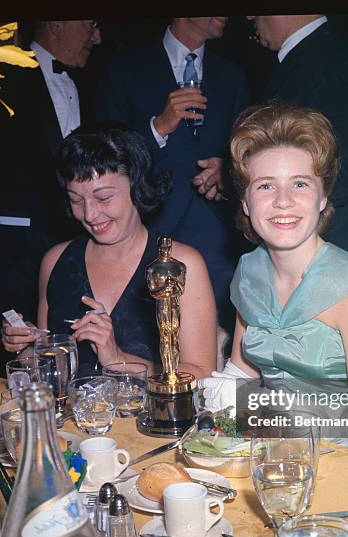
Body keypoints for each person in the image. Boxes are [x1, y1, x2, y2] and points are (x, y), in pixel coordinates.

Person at [199, 102, 348, 446]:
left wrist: (288, 425)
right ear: (245, 202)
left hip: (339, 461)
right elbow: (243, 371)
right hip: (266, 453)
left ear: (323, 196)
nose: (283, 201)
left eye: (300, 184)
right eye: (265, 186)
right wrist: (218, 403)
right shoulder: (249, 270)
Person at [1, 128, 217, 380]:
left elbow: (202, 377)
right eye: (76, 200)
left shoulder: (179, 264)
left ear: (138, 186)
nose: (90, 215)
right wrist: (27, 347)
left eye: (103, 198)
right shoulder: (55, 261)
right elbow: (51, 370)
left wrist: (118, 359)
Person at [94, 17, 250, 337]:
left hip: (219, 243)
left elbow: (247, 152)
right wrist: (158, 127)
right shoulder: (123, 66)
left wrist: (228, 172)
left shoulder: (233, 75)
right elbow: (105, 156)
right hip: (149, 232)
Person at [0, 20, 102, 349]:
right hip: (9, 253)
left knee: (67, 351)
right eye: (91, 25)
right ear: (58, 23)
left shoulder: (91, 81)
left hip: (74, 251)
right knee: (10, 356)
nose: (98, 36)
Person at [247, 14, 348, 263]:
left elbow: (343, 176)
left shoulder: (324, 66)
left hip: (326, 262)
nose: (250, 15)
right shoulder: (316, 59)